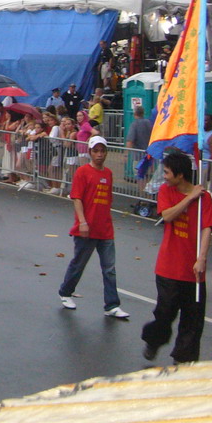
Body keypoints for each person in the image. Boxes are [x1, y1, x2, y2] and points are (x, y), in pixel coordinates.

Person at [141, 150, 212, 363]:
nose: (164, 176)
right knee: (164, 314)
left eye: (167, 172)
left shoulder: (205, 199)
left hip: (193, 271)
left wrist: (201, 258)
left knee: (192, 320)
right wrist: (189, 198)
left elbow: (207, 229)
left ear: (180, 175)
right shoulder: (166, 191)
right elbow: (167, 216)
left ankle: (184, 358)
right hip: (168, 268)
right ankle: (154, 341)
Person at [57, 136, 129, 318]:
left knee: (109, 268)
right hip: (86, 229)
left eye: (102, 151)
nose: (99, 154)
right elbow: (77, 198)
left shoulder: (108, 174)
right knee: (79, 263)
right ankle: (65, 292)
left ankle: (112, 305)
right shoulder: (82, 172)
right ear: (89, 152)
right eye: (95, 151)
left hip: (105, 229)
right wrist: (82, 222)